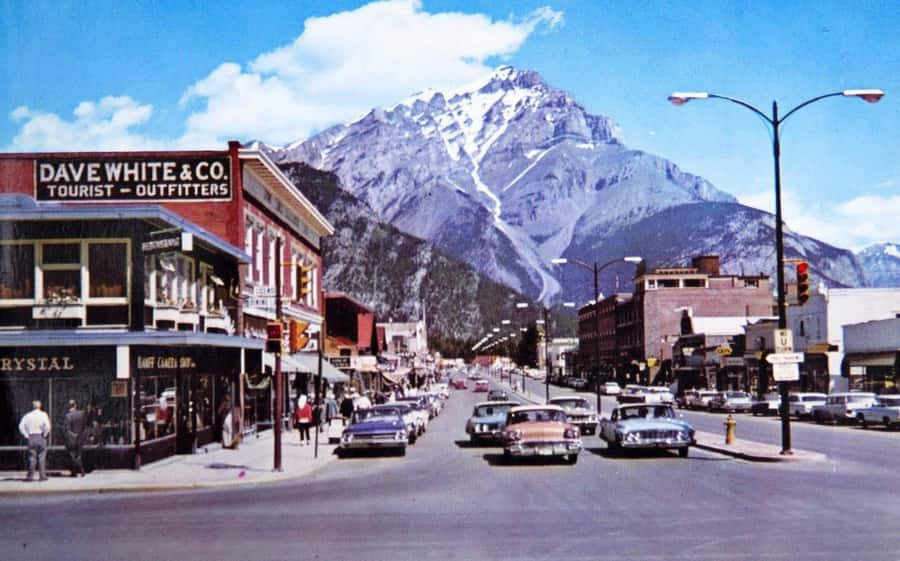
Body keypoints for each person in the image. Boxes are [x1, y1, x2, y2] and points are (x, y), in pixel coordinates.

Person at [18, 401, 51, 482]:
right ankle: (42, 476)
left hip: (31, 437)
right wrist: (44, 434)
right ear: (40, 406)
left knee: (31, 457)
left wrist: (26, 435)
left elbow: (21, 426)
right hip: (40, 436)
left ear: (32, 406)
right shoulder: (43, 414)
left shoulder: (28, 415)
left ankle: (30, 476)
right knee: (42, 457)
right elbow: (47, 426)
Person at [64, 399, 86, 477]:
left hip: (72, 438)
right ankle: (80, 471)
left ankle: (77, 471)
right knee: (79, 455)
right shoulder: (82, 414)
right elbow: (84, 426)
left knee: (72, 455)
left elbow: (67, 429)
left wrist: (72, 435)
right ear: (75, 405)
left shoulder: (67, 416)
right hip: (80, 438)